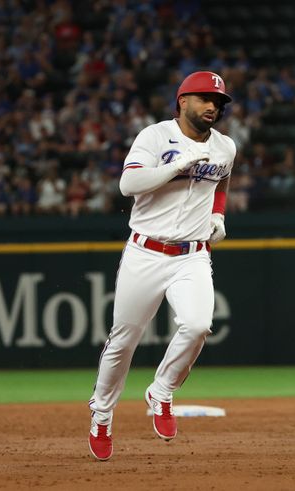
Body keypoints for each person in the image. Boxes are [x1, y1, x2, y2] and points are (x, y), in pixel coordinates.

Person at [88, 71, 236, 461]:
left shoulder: (225, 147)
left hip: (192, 254)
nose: (212, 107)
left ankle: (162, 390)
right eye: (205, 99)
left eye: (218, 102)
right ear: (182, 101)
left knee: (198, 324)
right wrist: (176, 165)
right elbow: (128, 186)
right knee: (123, 340)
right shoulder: (154, 137)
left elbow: (221, 185)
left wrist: (218, 217)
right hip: (146, 252)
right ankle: (102, 414)